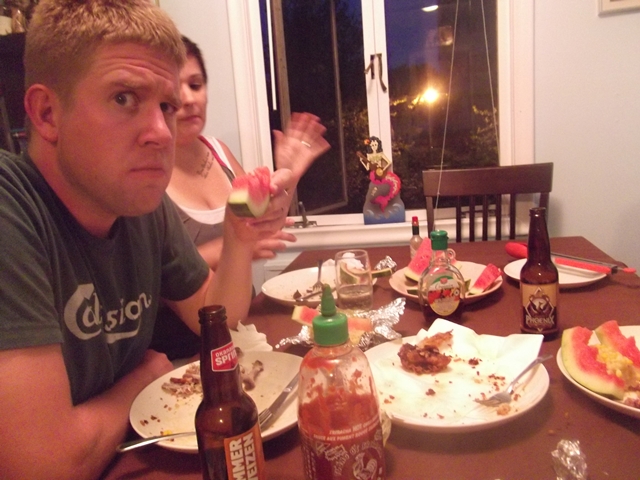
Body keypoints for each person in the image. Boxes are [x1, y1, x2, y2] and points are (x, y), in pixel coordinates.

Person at [0, 1, 328, 479]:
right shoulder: (12, 210)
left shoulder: (141, 207)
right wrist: (143, 376)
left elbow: (216, 317)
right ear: (47, 113)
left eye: (166, 106)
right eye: (123, 99)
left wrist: (238, 238)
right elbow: (44, 465)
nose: (161, 132)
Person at [150, 37, 328, 359]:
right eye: (176, 88)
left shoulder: (218, 152)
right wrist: (230, 246)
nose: (189, 99)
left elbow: (260, 227)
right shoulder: (147, 173)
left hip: (243, 329)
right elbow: (156, 273)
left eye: (196, 84)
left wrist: (289, 173)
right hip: (185, 353)